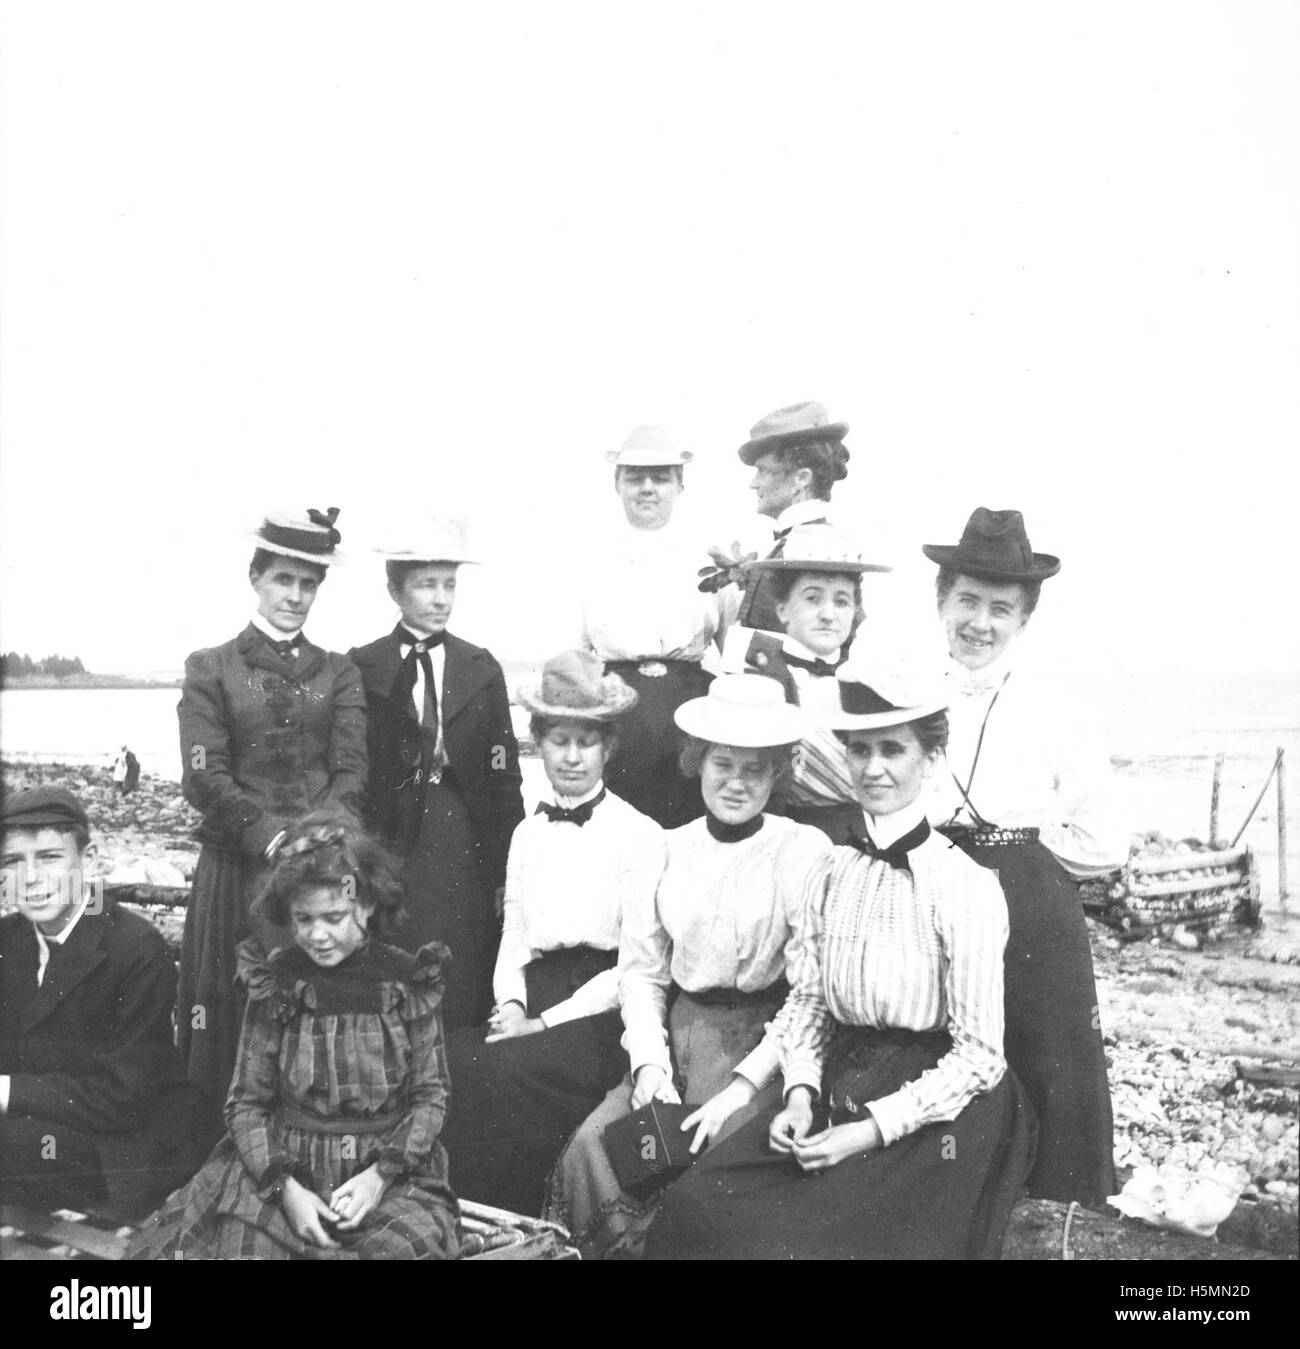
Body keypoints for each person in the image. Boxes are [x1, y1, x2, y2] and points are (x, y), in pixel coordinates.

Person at [643, 660, 1037, 1260]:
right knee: (696, 1206)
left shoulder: (965, 885)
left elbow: (980, 1057)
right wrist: (799, 1093)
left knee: (795, 1243)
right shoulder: (833, 868)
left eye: (893, 750)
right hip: (841, 1076)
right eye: (859, 750)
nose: (873, 768)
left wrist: (867, 1130)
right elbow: (809, 1001)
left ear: (930, 760)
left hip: (939, 1107)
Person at [544, 674, 831, 1259]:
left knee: (710, 1169)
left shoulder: (803, 850)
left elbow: (810, 995)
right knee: (595, 1149)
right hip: (678, 1041)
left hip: (764, 1049)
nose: (736, 782)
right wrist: (650, 1068)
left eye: (755, 768)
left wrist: (739, 1091)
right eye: (723, 764)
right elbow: (644, 974)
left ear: (777, 773)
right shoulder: (664, 848)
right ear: (697, 762)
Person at [127, 814, 459, 1260]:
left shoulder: (407, 983)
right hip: (285, 1170)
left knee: (399, 1250)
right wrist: (287, 1190)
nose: (317, 935)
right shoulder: (277, 983)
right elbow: (246, 1103)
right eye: (303, 919)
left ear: (368, 906)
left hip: (390, 1176)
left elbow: (431, 1097)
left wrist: (379, 1176)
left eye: (334, 917)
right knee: (248, 1250)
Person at [920, 506, 1123, 1207]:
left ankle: (1057, 1219)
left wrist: (1024, 852)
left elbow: (1107, 840)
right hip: (932, 896)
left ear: (1024, 618)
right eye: (967, 601)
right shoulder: (912, 698)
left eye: (1000, 608)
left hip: (1031, 912)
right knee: (940, 1060)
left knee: (1046, 1067)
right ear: (940, 600)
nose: (979, 621)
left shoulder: (1054, 708)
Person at [440, 650, 665, 1215]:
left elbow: (636, 968)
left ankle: (525, 1227)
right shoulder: (527, 833)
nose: (571, 756)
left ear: (607, 747)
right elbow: (513, 938)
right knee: (448, 1058)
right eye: (558, 740)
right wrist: (513, 1006)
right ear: (538, 742)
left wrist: (544, 1021)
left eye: (585, 742)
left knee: (497, 1074)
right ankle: (471, 1224)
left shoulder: (639, 835)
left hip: (597, 1009)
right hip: (533, 996)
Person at [177, 507, 367, 1143]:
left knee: (316, 1013)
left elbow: (351, 771)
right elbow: (204, 774)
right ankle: (234, 1152)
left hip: (319, 870)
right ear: (255, 577)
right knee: (235, 1015)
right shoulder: (211, 668)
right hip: (239, 870)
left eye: (308, 584)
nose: (295, 596)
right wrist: (270, 836)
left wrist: (319, 838)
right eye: (284, 579)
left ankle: (307, 1148)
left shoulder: (338, 672)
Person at [349, 517, 524, 1031]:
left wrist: (505, 863)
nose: (441, 598)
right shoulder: (362, 666)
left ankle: (458, 1065)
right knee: (394, 944)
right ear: (394, 589)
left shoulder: (479, 666)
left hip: (458, 828)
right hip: (391, 833)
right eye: (427, 585)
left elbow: (502, 768)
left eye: (450, 584)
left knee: (460, 950)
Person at [0, 788, 193, 1219]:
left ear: (89, 859)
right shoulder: (7, 941)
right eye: (13, 861)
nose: (30, 878)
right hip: (35, 1125)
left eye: (49, 857)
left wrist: (6, 1090)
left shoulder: (137, 948)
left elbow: (125, 1100)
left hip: (118, 1147)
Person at [579, 425, 728, 829]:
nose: (647, 488)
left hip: (692, 721)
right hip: (617, 722)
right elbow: (574, 662)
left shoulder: (710, 556)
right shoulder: (592, 560)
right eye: (635, 477)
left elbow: (733, 656)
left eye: (660, 477)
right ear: (617, 483)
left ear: (680, 485)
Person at [739, 523, 891, 843]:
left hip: (864, 831)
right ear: (782, 609)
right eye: (812, 599)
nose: (827, 614)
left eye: (841, 601)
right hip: (786, 829)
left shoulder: (869, 678)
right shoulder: (758, 674)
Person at [728, 401, 852, 637]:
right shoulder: (794, 543)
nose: (753, 484)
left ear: (801, 479)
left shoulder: (813, 550)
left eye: (763, 470)